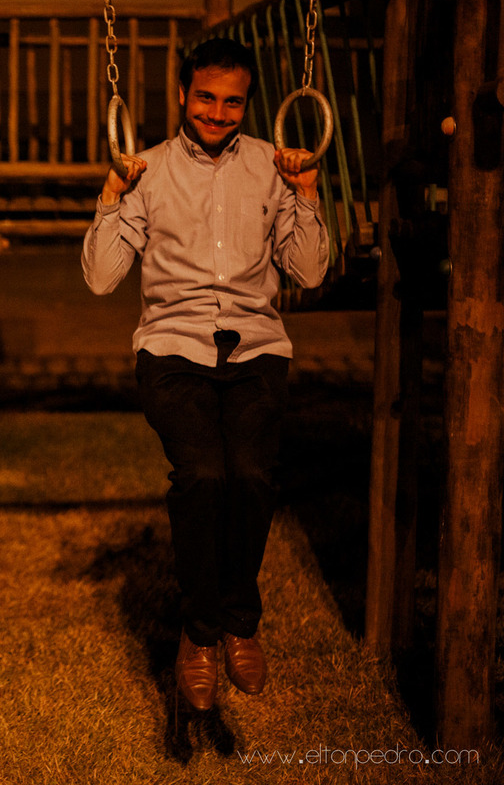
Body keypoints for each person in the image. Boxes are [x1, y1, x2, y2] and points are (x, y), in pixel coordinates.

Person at [81, 38, 329, 712]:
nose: (218, 113)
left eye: (232, 102)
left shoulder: (274, 168)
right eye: (205, 98)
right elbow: (102, 278)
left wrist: (306, 192)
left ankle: (240, 623)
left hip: (256, 348)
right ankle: (199, 634)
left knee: (251, 475)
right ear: (182, 95)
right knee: (202, 475)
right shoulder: (147, 171)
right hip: (173, 347)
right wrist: (112, 195)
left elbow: (309, 272)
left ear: (248, 103)